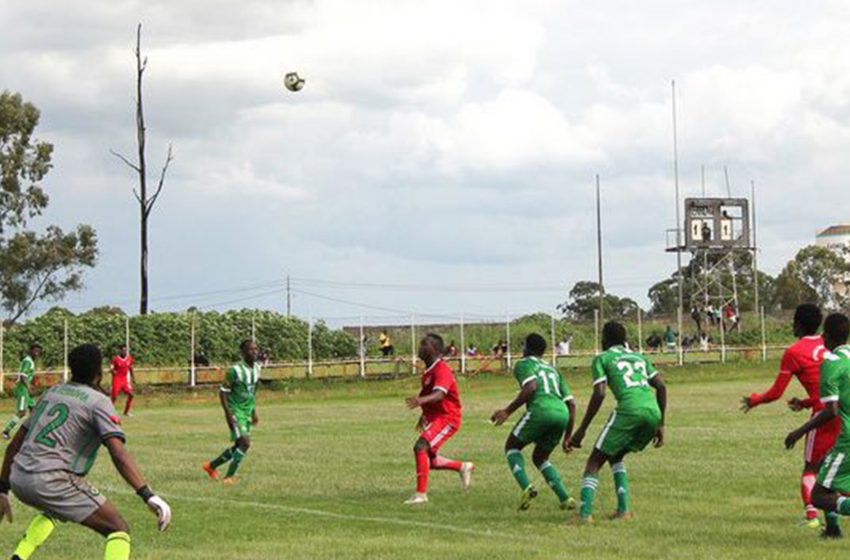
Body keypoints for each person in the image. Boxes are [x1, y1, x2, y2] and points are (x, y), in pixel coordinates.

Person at [0, 344, 171, 560]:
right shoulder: (98, 401)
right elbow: (118, 453)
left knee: (56, 510)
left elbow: (13, 446)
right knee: (118, 528)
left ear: (71, 369)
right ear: (99, 372)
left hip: (19, 478)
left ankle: (18, 557)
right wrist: (147, 494)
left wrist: (3, 488)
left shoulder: (51, 393)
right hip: (53, 481)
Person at [741, 304, 833, 528]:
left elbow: (776, 393)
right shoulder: (830, 343)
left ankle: (811, 517)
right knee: (835, 466)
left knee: (811, 468)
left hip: (824, 414)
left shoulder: (793, 353)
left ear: (798, 325)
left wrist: (755, 400)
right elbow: (829, 386)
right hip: (843, 408)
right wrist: (804, 402)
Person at [568, 321, 667, 522]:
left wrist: (582, 429)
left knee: (594, 461)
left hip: (629, 410)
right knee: (616, 455)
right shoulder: (639, 357)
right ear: (625, 340)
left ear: (604, 339)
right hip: (652, 411)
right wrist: (661, 424)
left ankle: (584, 514)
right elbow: (661, 386)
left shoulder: (602, 358)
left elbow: (600, 393)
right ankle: (624, 511)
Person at [491, 333, 577, 511]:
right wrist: (568, 436)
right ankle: (565, 498)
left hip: (541, 410)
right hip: (562, 413)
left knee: (512, 448)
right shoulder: (553, 369)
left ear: (526, 348)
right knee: (540, 457)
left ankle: (526, 488)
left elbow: (531, 387)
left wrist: (507, 411)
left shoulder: (523, 364)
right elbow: (572, 404)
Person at [785, 313, 850, 539]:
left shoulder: (831, 363)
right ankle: (832, 530)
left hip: (847, 437)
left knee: (818, 496)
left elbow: (830, 410)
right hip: (843, 435)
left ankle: (834, 526)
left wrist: (799, 431)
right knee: (827, 473)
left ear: (827, 336)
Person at [403, 334, 473, 505]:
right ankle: (462, 467)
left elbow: (440, 394)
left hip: (448, 418)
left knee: (421, 446)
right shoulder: (429, 370)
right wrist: (423, 414)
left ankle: (421, 494)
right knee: (429, 460)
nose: (420, 348)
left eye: (423, 344)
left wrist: (420, 401)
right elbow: (430, 394)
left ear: (433, 349)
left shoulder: (442, 369)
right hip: (437, 417)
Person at [203, 339, 262, 484]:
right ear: (243, 352)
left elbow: (252, 392)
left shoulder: (257, 369)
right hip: (235, 412)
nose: (254, 352)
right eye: (250, 349)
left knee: (238, 445)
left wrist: (254, 412)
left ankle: (211, 466)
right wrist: (229, 415)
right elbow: (223, 392)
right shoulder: (235, 371)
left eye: (256, 349)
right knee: (245, 443)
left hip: (247, 412)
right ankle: (229, 477)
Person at [3, 344, 42, 440]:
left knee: (34, 410)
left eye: (38, 352)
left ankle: (32, 433)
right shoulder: (27, 361)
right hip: (23, 389)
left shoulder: (30, 361)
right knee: (22, 412)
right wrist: (29, 388)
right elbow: (23, 376)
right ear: (30, 351)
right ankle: (6, 431)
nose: (37, 353)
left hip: (26, 388)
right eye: (35, 351)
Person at [110, 345, 135, 418]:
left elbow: (131, 368)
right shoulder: (115, 359)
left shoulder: (129, 358)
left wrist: (133, 378)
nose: (125, 352)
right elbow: (111, 369)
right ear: (120, 351)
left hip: (124, 380)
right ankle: (109, 411)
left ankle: (126, 412)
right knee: (114, 396)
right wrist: (113, 372)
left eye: (126, 350)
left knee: (131, 394)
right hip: (117, 380)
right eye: (123, 350)